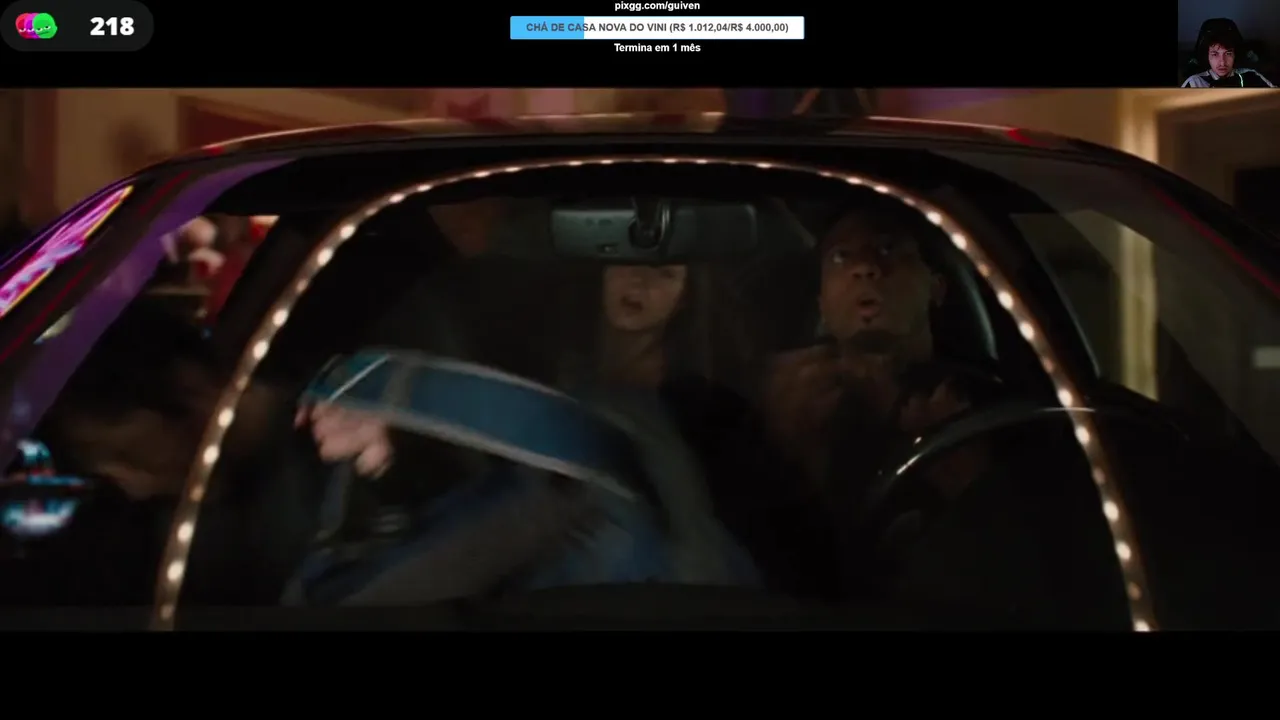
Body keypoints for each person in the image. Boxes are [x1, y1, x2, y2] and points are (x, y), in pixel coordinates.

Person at [291, 261, 758, 603]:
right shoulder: (544, 359)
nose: (640, 280)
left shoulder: (687, 407)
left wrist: (392, 394)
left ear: (685, 297)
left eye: (664, 272)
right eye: (629, 260)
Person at [1182, 22, 1275, 88]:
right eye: (1215, 54)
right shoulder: (1194, 83)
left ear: (1235, 55)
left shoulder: (1252, 76)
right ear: (1207, 56)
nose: (1222, 62)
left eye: (1228, 53)